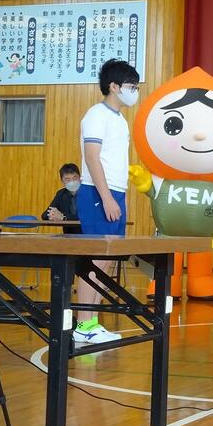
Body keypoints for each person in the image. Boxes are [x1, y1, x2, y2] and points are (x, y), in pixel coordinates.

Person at [73, 59, 140, 344]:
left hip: (114, 193)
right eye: (131, 86)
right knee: (96, 259)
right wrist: (107, 197)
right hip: (97, 193)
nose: (135, 91)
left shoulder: (120, 120)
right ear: (114, 86)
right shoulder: (96, 115)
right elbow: (92, 158)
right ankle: (83, 324)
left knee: (107, 261)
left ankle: (92, 323)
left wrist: (118, 197)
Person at [42, 163, 82, 234]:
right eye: (67, 179)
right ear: (62, 181)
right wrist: (53, 215)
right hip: (68, 236)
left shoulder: (89, 193)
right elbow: (45, 215)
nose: (72, 182)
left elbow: (87, 217)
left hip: (88, 235)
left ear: (80, 178)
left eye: (75, 178)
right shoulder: (61, 194)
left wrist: (63, 217)